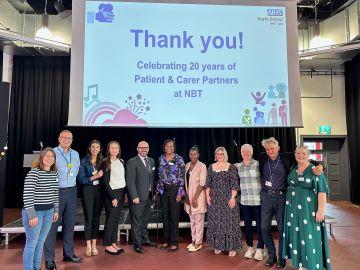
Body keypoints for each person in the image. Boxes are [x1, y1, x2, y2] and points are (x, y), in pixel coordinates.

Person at [258, 137, 323, 268]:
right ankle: (272, 255)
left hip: (282, 197)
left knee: (282, 229)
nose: (270, 151)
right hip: (266, 197)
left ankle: (281, 258)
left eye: (272, 148)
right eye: (267, 149)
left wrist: (321, 166)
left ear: (278, 148)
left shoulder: (287, 157)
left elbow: (308, 160)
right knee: (264, 228)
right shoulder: (262, 157)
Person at [282, 146, 331, 270]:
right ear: (294, 154)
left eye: (304, 153)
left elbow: (322, 191)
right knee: (297, 236)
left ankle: (312, 264)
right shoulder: (293, 168)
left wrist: (321, 211)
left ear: (308, 155)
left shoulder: (315, 170)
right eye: (298, 153)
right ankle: (301, 263)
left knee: (309, 235)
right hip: (293, 210)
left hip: (309, 209)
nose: (300, 155)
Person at [44, 130, 82, 270]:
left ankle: (69, 254)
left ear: (72, 140)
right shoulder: (52, 153)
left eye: (69, 138)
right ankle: (49, 260)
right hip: (56, 191)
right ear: (59, 138)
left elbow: (76, 172)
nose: (66, 140)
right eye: (64, 137)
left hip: (72, 191)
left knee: (69, 224)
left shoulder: (76, 154)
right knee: (52, 226)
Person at [22, 148, 59, 270]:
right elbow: (28, 195)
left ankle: (37, 267)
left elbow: (55, 193)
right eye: (47, 156)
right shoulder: (34, 173)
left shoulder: (55, 173)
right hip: (35, 212)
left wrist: (56, 210)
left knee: (40, 242)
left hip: (49, 212)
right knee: (32, 243)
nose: (50, 159)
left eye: (52, 156)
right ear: (42, 158)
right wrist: (32, 215)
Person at [205, 146, 241, 257]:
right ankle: (219, 246)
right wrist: (207, 196)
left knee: (229, 223)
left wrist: (232, 197)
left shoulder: (231, 167)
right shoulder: (211, 167)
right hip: (215, 200)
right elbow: (208, 184)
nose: (219, 156)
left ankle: (231, 247)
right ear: (215, 155)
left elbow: (234, 184)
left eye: (221, 154)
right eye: (217, 154)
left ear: (225, 155)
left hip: (228, 199)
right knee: (216, 223)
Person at [126, 141, 156, 253]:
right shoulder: (132, 162)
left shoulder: (151, 161)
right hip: (137, 197)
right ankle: (137, 244)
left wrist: (153, 194)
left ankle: (145, 239)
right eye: (141, 147)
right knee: (137, 221)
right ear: (137, 149)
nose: (144, 149)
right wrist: (134, 196)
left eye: (146, 147)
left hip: (148, 196)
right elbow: (130, 181)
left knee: (145, 220)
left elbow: (151, 179)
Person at [236, 144, 265, 260]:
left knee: (260, 226)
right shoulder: (238, 166)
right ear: (241, 153)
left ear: (252, 153)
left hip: (258, 201)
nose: (246, 154)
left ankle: (260, 249)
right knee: (247, 226)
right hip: (245, 201)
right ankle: (250, 247)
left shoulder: (258, 164)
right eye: (244, 152)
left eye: (248, 152)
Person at [157, 139, 185, 252]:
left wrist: (180, 193)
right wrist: (158, 188)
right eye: (167, 146)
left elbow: (182, 177)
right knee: (165, 216)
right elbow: (159, 175)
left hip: (174, 190)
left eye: (171, 146)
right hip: (163, 190)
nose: (169, 148)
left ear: (174, 147)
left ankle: (174, 242)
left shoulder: (179, 159)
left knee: (174, 217)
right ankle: (166, 240)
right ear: (164, 147)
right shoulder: (161, 158)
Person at [78, 140, 104, 257]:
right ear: (89, 148)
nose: (95, 149)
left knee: (96, 219)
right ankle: (88, 246)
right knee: (88, 218)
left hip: (99, 192)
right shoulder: (83, 161)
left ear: (100, 149)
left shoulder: (103, 161)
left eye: (97, 147)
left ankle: (94, 245)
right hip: (87, 191)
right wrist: (94, 177)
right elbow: (81, 179)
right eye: (92, 147)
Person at [102, 141, 126, 255]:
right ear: (108, 149)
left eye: (116, 148)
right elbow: (105, 182)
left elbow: (122, 179)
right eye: (112, 148)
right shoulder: (106, 162)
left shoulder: (121, 161)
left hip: (121, 193)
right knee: (110, 220)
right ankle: (107, 245)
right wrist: (113, 197)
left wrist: (124, 194)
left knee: (116, 220)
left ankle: (113, 242)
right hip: (112, 194)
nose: (114, 150)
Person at [184, 146, 207, 252]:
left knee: (199, 221)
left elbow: (202, 183)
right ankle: (193, 241)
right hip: (188, 198)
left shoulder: (202, 166)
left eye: (195, 154)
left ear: (198, 155)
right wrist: (186, 197)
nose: (193, 156)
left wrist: (194, 198)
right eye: (191, 154)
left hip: (198, 198)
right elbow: (184, 183)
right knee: (192, 221)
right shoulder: (187, 165)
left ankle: (198, 242)